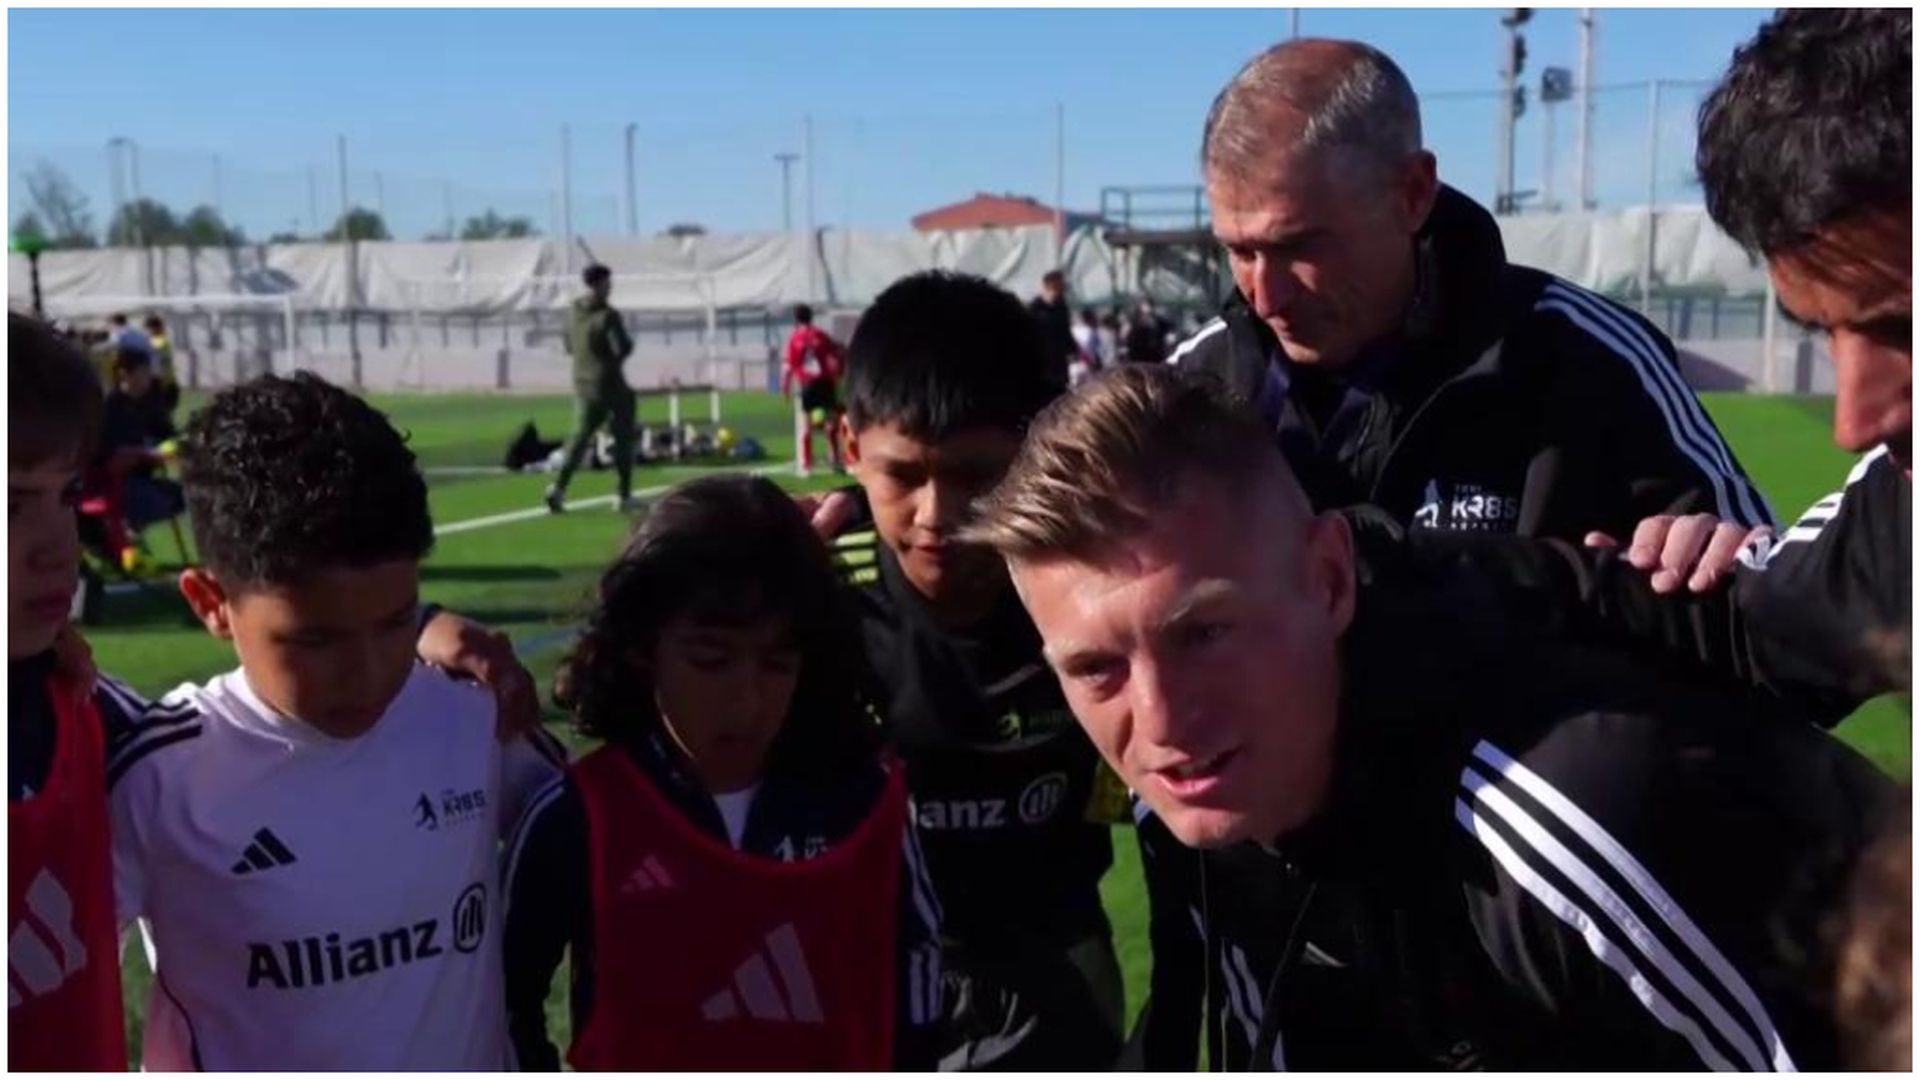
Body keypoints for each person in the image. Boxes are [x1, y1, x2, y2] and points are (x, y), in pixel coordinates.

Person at [1135, 38, 1782, 1066]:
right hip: (1300, 969)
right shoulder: (1192, 397)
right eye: (1236, 249)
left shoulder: (1582, 361)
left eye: (1297, 243)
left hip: (1544, 977)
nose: (1262, 290)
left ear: (1411, 192)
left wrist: (1720, 563)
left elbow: (1778, 637)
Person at [967, 363, 1898, 1070]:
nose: (1159, 717)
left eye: (1205, 631)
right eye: (1094, 668)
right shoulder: (1192, 797)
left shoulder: (1579, 814)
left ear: (1329, 580)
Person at [110, 372, 565, 1070]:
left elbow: (610, 840)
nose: (365, 672)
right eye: (313, 641)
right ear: (211, 602)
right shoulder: (159, 774)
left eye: (393, 624)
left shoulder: (471, 713)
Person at [503, 474, 943, 1070]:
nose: (746, 701)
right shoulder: (581, 815)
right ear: (640, 645)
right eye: (711, 661)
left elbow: (917, 964)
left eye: (777, 664)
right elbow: (505, 997)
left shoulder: (866, 801)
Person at [824, 271, 1127, 1069]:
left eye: (974, 476)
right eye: (903, 476)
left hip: (1056, 977)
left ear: (1034, 452)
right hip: (866, 981)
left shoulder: (1096, 593)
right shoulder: (810, 602)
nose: (937, 515)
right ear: (848, 449)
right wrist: (441, 629)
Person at [9, 313, 137, 1070]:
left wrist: (416, 629)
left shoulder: (83, 705)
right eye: (11, 506)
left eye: (66, 496)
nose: (60, 545)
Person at [547, 263, 636, 514]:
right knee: (623, 436)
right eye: (607, 283)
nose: (610, 288)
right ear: (598, 285)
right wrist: (613, 360)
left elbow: (568, 345)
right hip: (610, 383)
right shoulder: (608, 315)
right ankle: (623, 494)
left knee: (579, 438)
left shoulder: (573, 311)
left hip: (582, 383)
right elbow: (624, 347)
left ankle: (558, 488)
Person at [93, 345, 184, 570]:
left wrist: (175, 446)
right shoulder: (108, 408)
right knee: (150, 500)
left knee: (185, 496)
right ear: (124, 374)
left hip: (145, 477)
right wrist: (145, 453)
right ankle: (124, 542)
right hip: (112, 484)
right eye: (144, 371)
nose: (149, 377)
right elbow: (109, 459)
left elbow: (168, 436)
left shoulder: (151, 403)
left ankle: (130, 539)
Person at [781, 303, 847, 474]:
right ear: (811, 317)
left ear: (796, 319)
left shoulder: (795, 338)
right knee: (832, 423)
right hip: (825, 382)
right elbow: (837, 352)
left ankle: (807, 464)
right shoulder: (820, 335)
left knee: (806, 426)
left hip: (807, 384)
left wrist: (785, 388)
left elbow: (789, 366)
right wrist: (840, 372)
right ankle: (835, 459)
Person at [1028, 269, 1077, 388]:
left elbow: (1065, 331)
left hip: (1059, 362)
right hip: (1041, 362)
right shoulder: (1035, 307)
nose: (1064, 287)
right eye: (1061, 283)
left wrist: (1072, 348)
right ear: (1050, 285)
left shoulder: (1062, 307)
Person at [143, 313, 181, 414]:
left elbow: (151, 346)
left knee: (162, 413)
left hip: (163, 383)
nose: (147, 332)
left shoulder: (160, 341)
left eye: (149, 328)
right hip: (162, 382)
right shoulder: (159, 340)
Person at [1122, 299, 1170, 365]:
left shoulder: (1157, 321)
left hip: (1154, 354)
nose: (1148, 308)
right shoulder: (1134, 319)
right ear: (1140, 306)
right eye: (1146, 305)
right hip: (1137, 353)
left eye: (1150, 305)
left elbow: (1167, 329)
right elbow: (1125, 334)